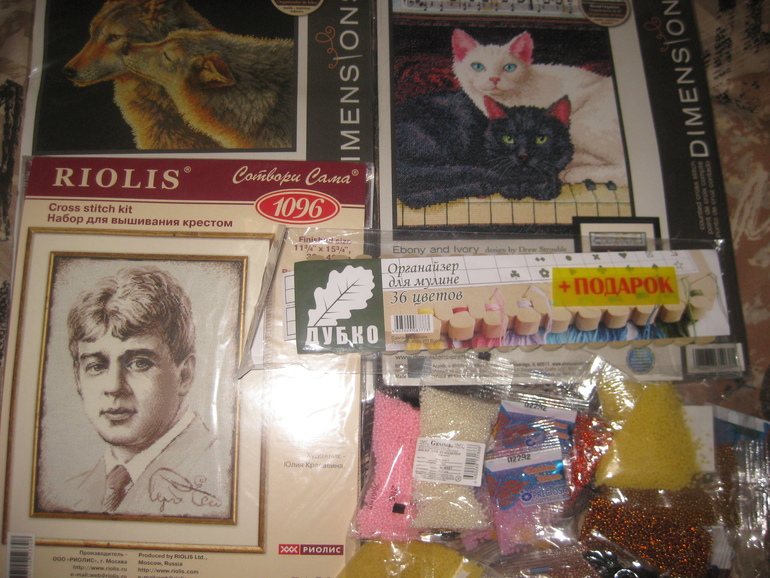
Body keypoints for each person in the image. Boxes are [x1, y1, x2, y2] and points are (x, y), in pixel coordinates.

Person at [48, 265, 231, 518]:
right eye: (96, 366)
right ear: (78, 378)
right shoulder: (68, 494)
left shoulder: (224, 476)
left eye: (139, 363)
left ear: (184, 375)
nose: (114, 387)